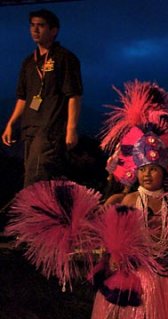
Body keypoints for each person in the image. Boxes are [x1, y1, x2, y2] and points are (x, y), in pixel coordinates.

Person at [69, 82, 168, 319]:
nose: (149, 173)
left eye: (154, 168)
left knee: (156, 295)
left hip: (166, 265)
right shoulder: (126, 199)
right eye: (143, 169)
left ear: (164, 170)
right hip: (137, 267)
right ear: (135, 171)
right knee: (139, 296)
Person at [3, 9, 82, 186]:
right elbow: (22, 97)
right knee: (34, 176)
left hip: (51, 128)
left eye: (41, 25)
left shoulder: (65, 58)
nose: (35, 30)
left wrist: (71, 129)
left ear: (54, 30)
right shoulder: (28, 62)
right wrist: (11, 123)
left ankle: (32, 213)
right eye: (32, 25)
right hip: (29, 127)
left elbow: (74, 95)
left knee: (36, 178)